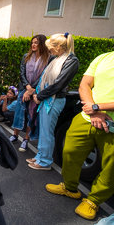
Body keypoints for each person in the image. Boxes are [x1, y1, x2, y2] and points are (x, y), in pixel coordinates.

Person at [46, 50, 114, 220]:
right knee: (69, 151)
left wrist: (97, 108)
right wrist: (93, 108)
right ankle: (70, 188)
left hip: (110, 124)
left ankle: (94, 201)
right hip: (87, 116)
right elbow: (85, 85)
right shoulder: (103, 57)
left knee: (111, 168)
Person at [27, 33, 79, 170]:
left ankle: (44, 161)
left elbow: (59, 84)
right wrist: (37, 93)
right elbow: (44, 77)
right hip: (47, 99)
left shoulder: (71, 61)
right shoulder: (59, 58)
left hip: (53, 100)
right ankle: (40, 156)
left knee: (47, 132)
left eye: (51, 47)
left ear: (58, 47)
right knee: (43, 130)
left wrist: (39, 96)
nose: (49, 50)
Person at [11, 34, 53, 152]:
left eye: (36, 42)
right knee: (19, 112)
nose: (33, 45)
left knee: (32, 114)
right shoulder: (26, 56)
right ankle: (15, 135)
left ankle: (26, 139)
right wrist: (27, 88)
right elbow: (22, 73)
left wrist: (31, 90)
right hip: (25, 88)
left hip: (36, 90)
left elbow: (44, 76)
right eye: (32, 42)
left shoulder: (49, 59)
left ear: (42, 44)